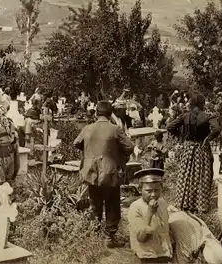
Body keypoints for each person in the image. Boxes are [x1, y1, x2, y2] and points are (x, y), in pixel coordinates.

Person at [73, 100, 135, 248]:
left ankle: (94, 235)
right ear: (110, 114)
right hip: (110, 172)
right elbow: (130, 147)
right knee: (112, 203)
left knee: (95, 202)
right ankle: (109, 237)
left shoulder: (87, 128)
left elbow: (76, 143)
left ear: (96, 113)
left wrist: (90, 151)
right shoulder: (115, 129)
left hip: (91, 171)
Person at [166, 93, 221, 213]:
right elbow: (217, 129)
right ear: (202, 104)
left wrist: (181, 137)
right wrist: (208, 138)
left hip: (188, 149)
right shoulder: (208, 116)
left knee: (186, 175)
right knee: (202, 176)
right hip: (202, 150)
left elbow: (170, 127)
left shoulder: (184, 116)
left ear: (191, 103)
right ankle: (200, 206)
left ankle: (184, 203)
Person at [128, 168, 172, 263]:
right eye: (149, 191)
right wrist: (149, 213)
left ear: (162, 189)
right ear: (140, 190)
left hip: (162, 255)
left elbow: (165, 228)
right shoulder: (136, 207)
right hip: (145, 258)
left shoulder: (162, 203)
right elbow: (141, 237)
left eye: (157, 190)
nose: (153, 194)